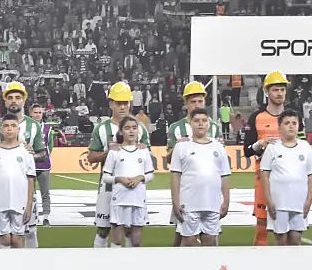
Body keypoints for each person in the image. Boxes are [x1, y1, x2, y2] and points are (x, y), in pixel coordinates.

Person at [87, 82, 150, 248]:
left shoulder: (140, 128)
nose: (122, 107)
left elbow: (149, 157)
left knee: (131, 230)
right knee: (103, 230)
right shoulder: (101, 129)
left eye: (125, 103)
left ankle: (128, 263)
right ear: (111, 104)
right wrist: (109, 152)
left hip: (133, 187)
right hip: (108, 187)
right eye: (118, 103)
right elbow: (91, 157)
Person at [0, 82, 47, 248]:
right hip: (1, 192)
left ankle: (29, 264)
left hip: (25, 190)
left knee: (30, 231)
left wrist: (28, 155)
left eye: (18, 97)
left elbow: (43, 154)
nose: (14, 101)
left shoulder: (34, 126)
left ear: (24, 100)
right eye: (10, 97)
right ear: (5, 101)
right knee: (0, 234)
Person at [244, 71, 298, 247]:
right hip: (264, 179)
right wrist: (260, 144)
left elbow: (301, 146)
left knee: (291, 231)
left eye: (282, 89)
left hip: (289, 180)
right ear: (267, 91)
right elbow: (247, 151)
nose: (280, 93)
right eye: (275, 89)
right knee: (262, 228)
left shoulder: (293, 118)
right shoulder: (256, 118)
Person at [166, 81, 222, 247]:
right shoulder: (176, 128)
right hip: (186, 191)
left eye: (200, 101)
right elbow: (168, 159)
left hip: (209, 191)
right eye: (193, 101)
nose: (197, 105)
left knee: (211, 236)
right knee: (182, 235)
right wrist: (178, 147)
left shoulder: (213, 127)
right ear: (186, 103)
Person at [170, 108, 231, 247]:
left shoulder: (218, 147)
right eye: (196, 121)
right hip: (189, 202)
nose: (200, 124)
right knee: (188, 241)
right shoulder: (181, 146)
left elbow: (225, 175)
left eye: (204, 120)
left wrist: (226, 201)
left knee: (210, 240)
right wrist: (175, 201)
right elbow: (175, 176)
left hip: (212, 202)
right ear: (190, 123)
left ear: (209, 123)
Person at [261, 112, 312, 246]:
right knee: (280, 240)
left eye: (294, 123)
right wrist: (268, 200)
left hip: (299, 203)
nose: (291, 126)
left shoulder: (305, 147)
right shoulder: (272, 148)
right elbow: (264, 175)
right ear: (279, 127)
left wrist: (309, 200)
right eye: (287, 123)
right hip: (279, 203)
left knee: (296, 240)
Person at [0, 113, 36, 249]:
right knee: (5, 239)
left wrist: (29, 204)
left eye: (13, 126)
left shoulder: (26, 152)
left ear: (18, 129)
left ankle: (20, 262)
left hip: (20, 202)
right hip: (0, 203)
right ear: (1, 130)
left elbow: (31, 178)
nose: (9, 129)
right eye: (6, 126)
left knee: (18, 239)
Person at [104, 116, 155, 248]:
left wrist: (140, 177)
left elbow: (150, 175)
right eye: (127, 128)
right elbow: (106, 177)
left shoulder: (143, 151)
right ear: (121, 132)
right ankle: (114, 260)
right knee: (117, 239)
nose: (131, 131)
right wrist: (119, 179)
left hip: (138, 198)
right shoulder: (114, 152)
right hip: (120, 198)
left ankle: (135, 261)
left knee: (136, 241)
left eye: (134, 128)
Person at [30, 104, 56, 226]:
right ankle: (33, 216)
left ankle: (46, 217)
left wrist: (43, 156)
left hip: (44, 165)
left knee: (45, 192)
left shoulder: (47, 129)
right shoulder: (26, 128)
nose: (37, 115)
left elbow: (50, 147)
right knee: (30, 193)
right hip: (29, 165)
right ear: (31, 114)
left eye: (40, 113)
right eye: (35, 112)